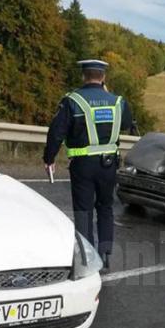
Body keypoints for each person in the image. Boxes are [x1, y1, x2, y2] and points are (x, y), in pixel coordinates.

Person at [43, 59, 135, 271]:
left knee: (83, 210)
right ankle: (105, 253)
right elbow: (128, 125)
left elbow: (56, 133)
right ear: (103, 78)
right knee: (105, 207)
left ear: (83, 76)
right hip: (109, 164)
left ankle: (86, 257)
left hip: (83, 165)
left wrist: (49, 158)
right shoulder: (118, 101)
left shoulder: (72, 101)